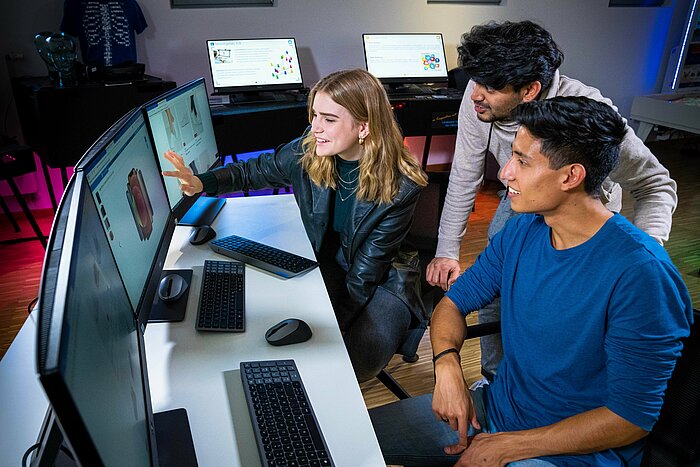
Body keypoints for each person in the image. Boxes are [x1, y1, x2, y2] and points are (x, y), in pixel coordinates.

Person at [369, 96, 693, 466]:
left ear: (571, 176)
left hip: (567, 453)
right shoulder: (523, 229)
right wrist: (447, 367)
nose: (506, 172)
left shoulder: (642, 276)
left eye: (522, 161)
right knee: (339, 438)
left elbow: (630, 418)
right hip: (493, 412)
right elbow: (453, 303)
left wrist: (507, 446)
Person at [426, 20, 678, 380]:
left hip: (585, 212)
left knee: (570, 310)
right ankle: (495, 378)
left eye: (491, 86)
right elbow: (465, 173)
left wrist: (640, 253)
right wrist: (447, 248)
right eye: (474, 80)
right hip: (524, 200)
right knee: (496, 282)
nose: (475, 94)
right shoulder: (478, 98)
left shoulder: (588, 118)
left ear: (530, 90)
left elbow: (655, 184)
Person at [162, 68, 429, 382]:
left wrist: (334, 326)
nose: (315, 127)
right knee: (296, 323)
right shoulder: (310, 149)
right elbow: (253, 171)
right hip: (330, 260)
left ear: (363, 127)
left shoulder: (401, 187)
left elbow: (365, 274)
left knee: (363, 354)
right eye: (314, 114)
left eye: (329, 119)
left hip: (384, 277)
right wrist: (200, 182)